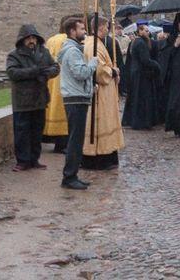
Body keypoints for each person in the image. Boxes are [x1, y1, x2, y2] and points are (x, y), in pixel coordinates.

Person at [6, 24, 59, 172]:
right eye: (28, 38)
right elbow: (13, 73)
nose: (31, 40)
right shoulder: (14, 55)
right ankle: (22, 161)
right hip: (22, 100)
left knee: (37, 131)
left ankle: (34, 159)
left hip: (39, 97)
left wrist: (46, 73)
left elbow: (55, 67)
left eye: (33, 38)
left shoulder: (44, 52)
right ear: (22, 40)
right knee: (22, 131)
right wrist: (35, 71)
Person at [57, 18, 98, 190]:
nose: (85, 32)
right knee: (75, 139)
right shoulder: (72, 51)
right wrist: (92, 65)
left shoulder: (73, 49)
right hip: (75, 99)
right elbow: (80, 73)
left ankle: (72, 174)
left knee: (76, 138)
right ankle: (69, 176)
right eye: (82, 29)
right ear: (73, 31)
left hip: (77, 97)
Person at [82, 17, 124, 171]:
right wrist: (112, 71)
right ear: (100, 27)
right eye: (106, 26)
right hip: (100, 93)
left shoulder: (98, 43)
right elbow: (98, 69)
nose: (108, 29)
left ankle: (108, 156)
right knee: (100, 124)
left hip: (106, 93)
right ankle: (99, 158)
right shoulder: (92, 45)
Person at [44, 15, 77, 153]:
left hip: (52, 79)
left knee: (54, 109)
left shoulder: (51, 40)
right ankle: (63, 144)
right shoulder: (69, 41)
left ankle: (54, 139)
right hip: (65, 79)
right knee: (63, 111)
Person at [122, 21, 162, 129]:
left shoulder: (138, 42)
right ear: (139, 31)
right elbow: (145, 60)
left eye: (148, 31)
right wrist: (157, 65)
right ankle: (141, 121)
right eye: (145, 31)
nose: (148, 33)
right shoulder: (140, 43)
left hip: (138, 72)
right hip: (140, 74)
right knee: (141, 98)